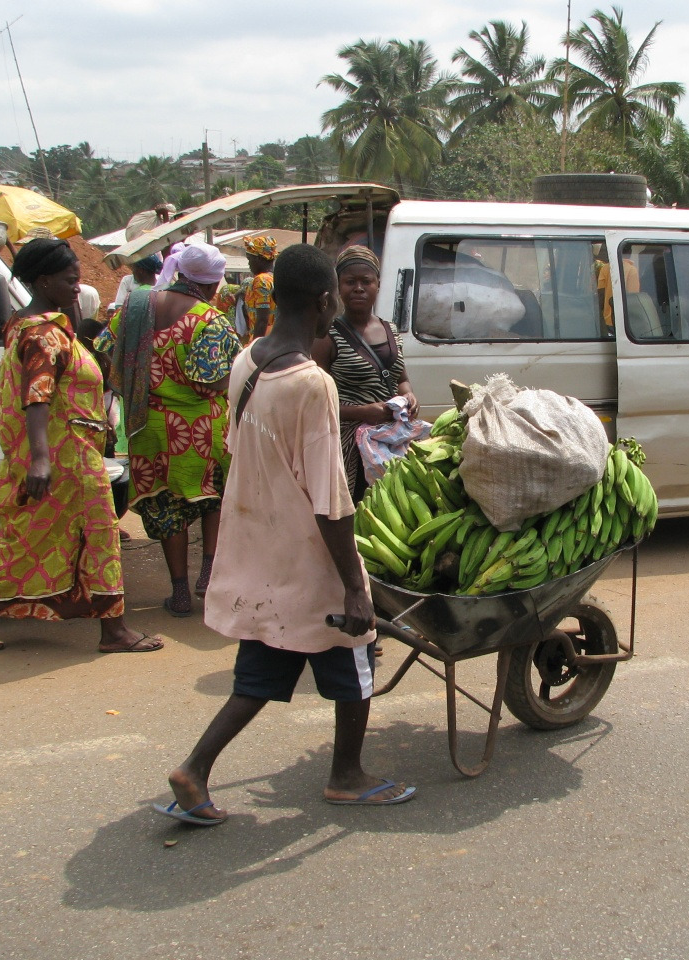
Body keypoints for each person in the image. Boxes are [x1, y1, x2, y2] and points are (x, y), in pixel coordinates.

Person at [155, 244, 415, 826]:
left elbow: (234, 449)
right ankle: (347, 775)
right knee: (354, 655)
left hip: (258, 543)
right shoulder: (311, 383)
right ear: (324, 301)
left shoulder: (247, 361)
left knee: (263, 666)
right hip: (306, 551)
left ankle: (194, 769)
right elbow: (329, 496)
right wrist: (354, 584)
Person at [0, 238, 162, 655]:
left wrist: (68, 310)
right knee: (99, 536)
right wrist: (42, 459)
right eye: (70, 280)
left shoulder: (31, 325)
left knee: (32, 537)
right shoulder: (44, 336)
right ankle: (114, 632)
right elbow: (37, 395)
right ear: (43, 281)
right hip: (67, 455)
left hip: (63, 450)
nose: (78, 287)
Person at [96, 243, 241, 616]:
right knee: (213, 497)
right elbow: (213, 381)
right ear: (211, 285)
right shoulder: (209, 320)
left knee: (164, 506)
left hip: (148, 429)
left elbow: (105, 352)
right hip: (201, 429)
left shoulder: (134, 310)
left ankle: (178, 593)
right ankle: (208, 573)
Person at [312, 245, 419, 502]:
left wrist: (409, 395)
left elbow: (400, 378)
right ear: (338, 287)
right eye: (350, 282)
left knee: (391, 505)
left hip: (388, 443)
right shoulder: (327, 335)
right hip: (349, 447)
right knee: (358, 508)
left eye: (366, 281)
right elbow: (315, 402)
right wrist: (362, 412)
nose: (358, 288)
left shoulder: (390, 329)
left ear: (378, 285)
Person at [236, 235, 277, 343]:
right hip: (274, 339)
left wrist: (253, 348)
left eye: (250, 259)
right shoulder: (276, 278)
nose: (249, 264)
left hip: (263, 341)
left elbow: (262, 319)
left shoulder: (261, 280)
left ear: (259, 258)